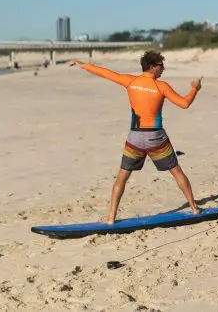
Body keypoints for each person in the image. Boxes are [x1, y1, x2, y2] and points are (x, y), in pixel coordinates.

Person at [69, 51, 203, 224]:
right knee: (176, 171)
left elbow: (105, 73)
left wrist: (82, 64)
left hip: (135, 138)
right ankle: (194, 208)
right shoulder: (161, 86)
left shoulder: (130, 81)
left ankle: (111, 217)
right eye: (161, 65)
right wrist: (195, 88)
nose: (163, 68)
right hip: (156, 138)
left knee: (122, 177)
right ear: (152, 67)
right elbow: (184, 104)